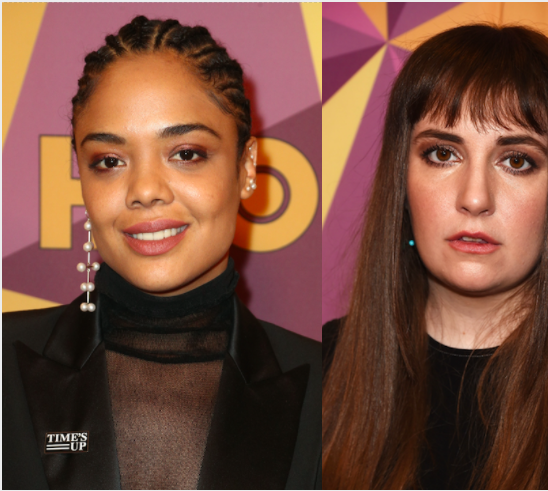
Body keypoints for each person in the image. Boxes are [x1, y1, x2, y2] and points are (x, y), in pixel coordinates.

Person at [322, 24, 548, 490]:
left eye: (516, 160)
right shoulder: (320, 368)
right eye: (442, 153)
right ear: (402, 176)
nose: (475, 198)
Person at [3, 16, 321, 490]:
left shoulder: (331, 386)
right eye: (109, 161)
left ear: (247, 167)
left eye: (186, 153)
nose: (145, 190)